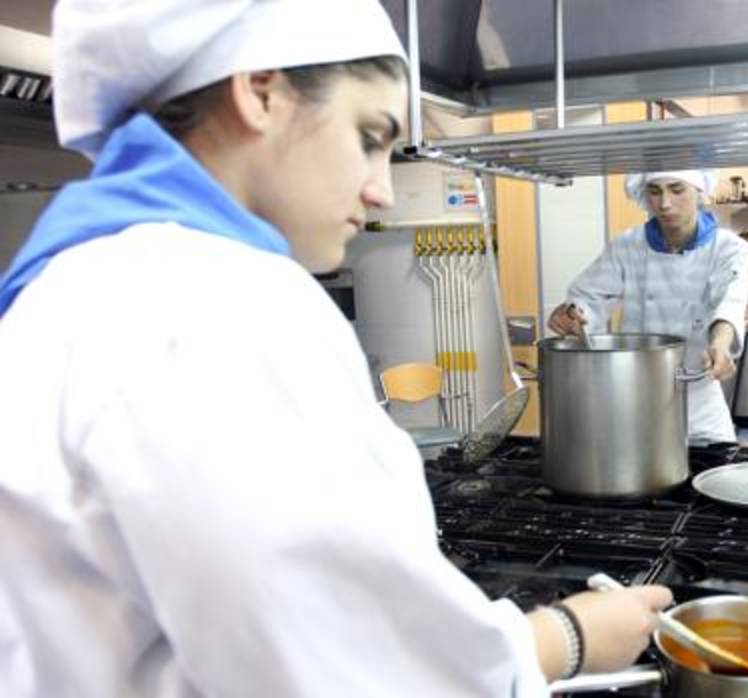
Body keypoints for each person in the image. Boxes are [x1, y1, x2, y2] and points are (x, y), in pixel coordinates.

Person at [0, 2, 670, 696]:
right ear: (260, 91)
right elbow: (355, 670)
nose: (382, 191)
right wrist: (569, 636)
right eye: (369, 134)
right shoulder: (217, 306)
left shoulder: (68, 288)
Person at [547, 170, 748, 444]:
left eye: (677, 190)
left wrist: (721, 343)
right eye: (655, 191)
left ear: (699, 191)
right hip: (633, 404)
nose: (664, 204)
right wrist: (574, 314)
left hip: (699, 408)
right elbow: (589, 297)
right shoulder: (627, 246)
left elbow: (730, 302)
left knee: (712, 482)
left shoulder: (728, 248)